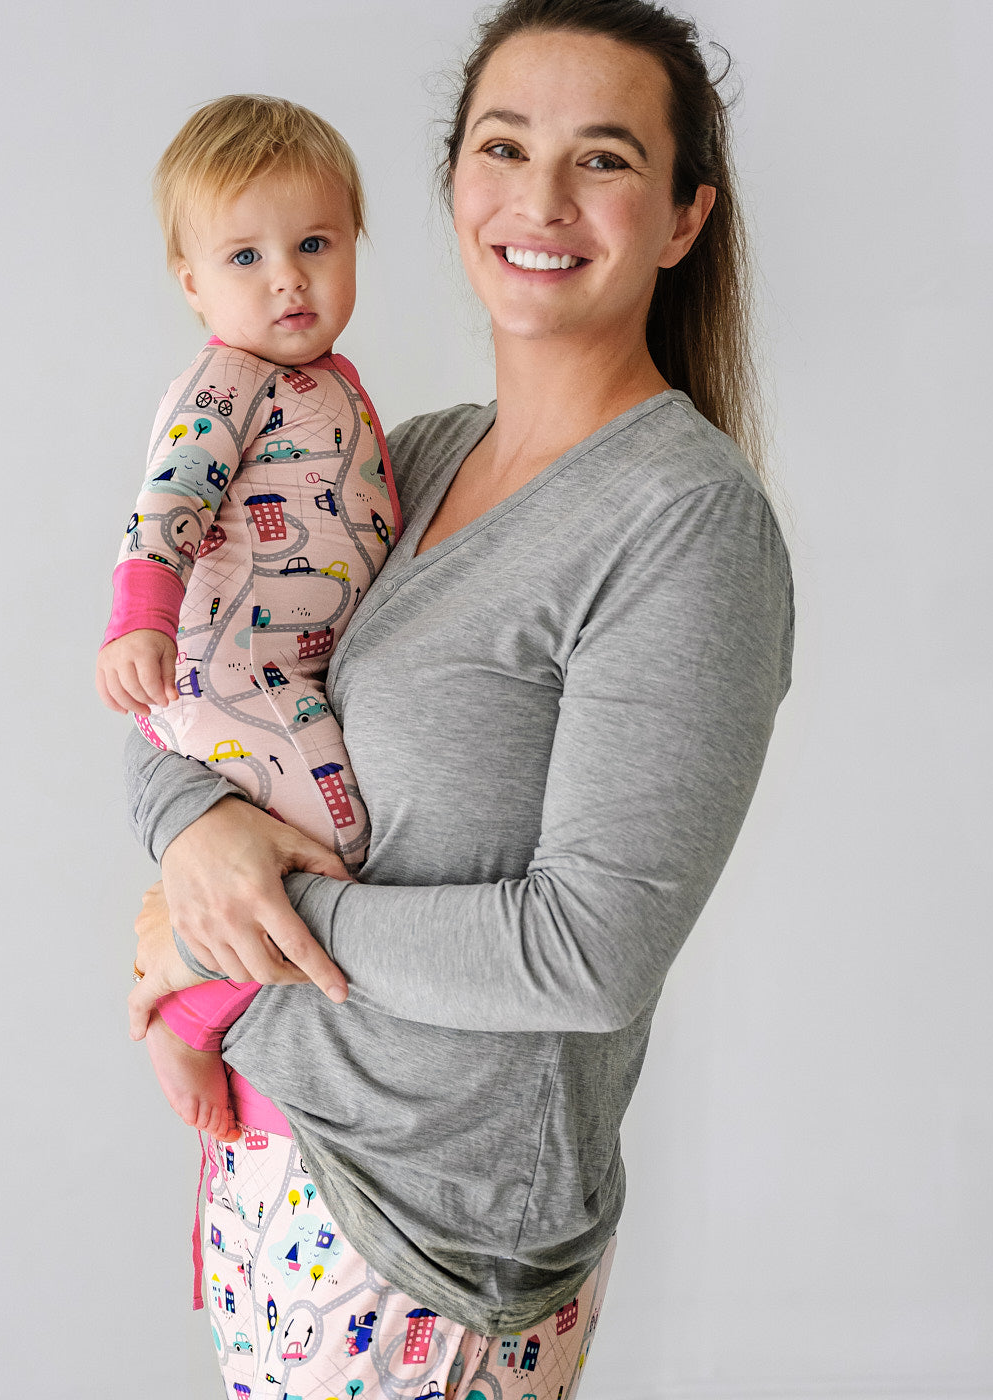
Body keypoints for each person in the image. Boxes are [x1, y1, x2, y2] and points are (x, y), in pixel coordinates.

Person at [123, 2, 794, 1396]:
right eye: (503, 146)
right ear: (451, 187)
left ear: (682, 218)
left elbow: (586, 952)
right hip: (272, 1157)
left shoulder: (683, 523)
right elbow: (201, 669)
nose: (540, 198)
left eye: (602, 158)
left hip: (439, 1240)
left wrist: (234, 926)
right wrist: (192, 830)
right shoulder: (400, 461)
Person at [96, 96, 401, 1144]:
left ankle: (199, 972)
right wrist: (139, 618)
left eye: (315, 244)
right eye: (245, 256)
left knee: (324, 837)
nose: (288, 278)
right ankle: (186, 1005)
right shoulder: (226, 380)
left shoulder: (328, 383)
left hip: (286, 674)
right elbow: (170, 499)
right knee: (341, 839)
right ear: (191, 282)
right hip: (230, 675)